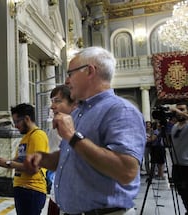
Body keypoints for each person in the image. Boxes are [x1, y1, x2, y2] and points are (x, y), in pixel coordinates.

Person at [24, 46, 146, 215]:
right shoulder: (80, 112)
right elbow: (74, 155)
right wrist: (45, 159)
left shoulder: (120, 110)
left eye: (70, 73)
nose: (67, 81)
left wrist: (72, 136)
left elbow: (126, 171)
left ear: (89, 71)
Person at [0, 103, 49, 215]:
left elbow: (33, 168)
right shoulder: (26, 138)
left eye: (17, 122)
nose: (16, 126)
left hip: (32, 190)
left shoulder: (38, 136)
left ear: (27, 119)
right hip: (22, 189)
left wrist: (8, 163)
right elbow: (18, 161)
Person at [47, 85, 77, 215]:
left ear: (73, 104)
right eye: (52, 101)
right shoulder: (55, 128)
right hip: (57, 193)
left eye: (57, 101)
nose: (52, 106)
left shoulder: (83, 125)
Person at [170, 102, 188, 214]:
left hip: (187, 166)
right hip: (176, 165)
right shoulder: (174, 126)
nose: (179, 112)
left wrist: (177, 111)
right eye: (177, 110)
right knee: (182, 192)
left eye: (182, 109)